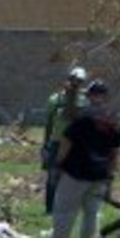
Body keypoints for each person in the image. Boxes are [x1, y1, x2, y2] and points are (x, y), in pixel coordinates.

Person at [50, 80, 120, 238]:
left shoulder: (82, 118)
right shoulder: (114, 122)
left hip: (76, 172)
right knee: (93, 214)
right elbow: (115, 153)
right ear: (106, 97)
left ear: (89, 96)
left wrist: (58, 163)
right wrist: (110, 175)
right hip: (100, 174)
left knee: (65, 212)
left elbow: (66, 142)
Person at [41, 66, 87, 214]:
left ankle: (69, 208)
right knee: (53, 177)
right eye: (74, 80)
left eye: (79, 81)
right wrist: (45, 144)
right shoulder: (55, 100)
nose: (76, 84)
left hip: (76, 145)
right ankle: (50, 208)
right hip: (56, 143)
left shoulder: (83, 101)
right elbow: (49, 123)